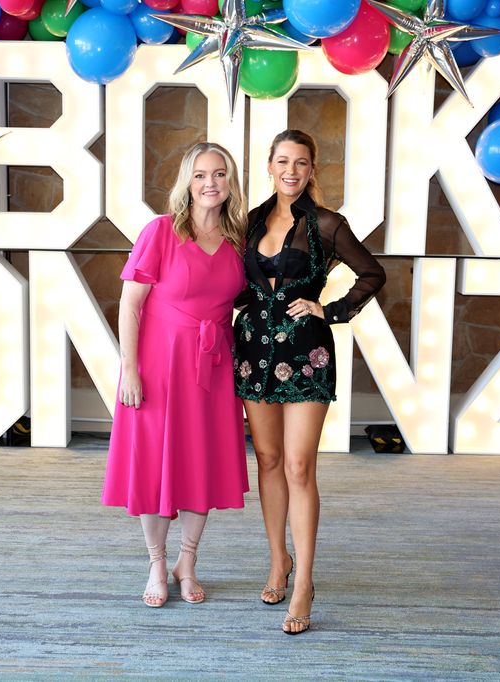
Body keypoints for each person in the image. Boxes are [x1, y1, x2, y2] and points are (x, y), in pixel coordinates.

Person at [233, 130, 386, 634]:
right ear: (270, 166)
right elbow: (235, 283)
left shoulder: (327, 224)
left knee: (299, 466)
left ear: (312, 169)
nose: (291, 171)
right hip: (254, 353)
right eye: (283, 161)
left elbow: (372, 274)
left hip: (307, 352)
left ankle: (304, 583)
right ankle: (279, 561)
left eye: (301, 162)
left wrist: (332, 309)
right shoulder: (250, 221)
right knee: (270, 459)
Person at [102, 142, 249, 608]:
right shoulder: (161, 232)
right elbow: (130, 304)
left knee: (200, 466)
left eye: (220, 174)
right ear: (187, 181)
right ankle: (155, 563)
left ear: (230, 183)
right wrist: (129, 369)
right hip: (160, 368)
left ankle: (187, 560)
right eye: (201, 174)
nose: (211, 183)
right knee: (154, 467)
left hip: (213, 368)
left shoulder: (238, 240)